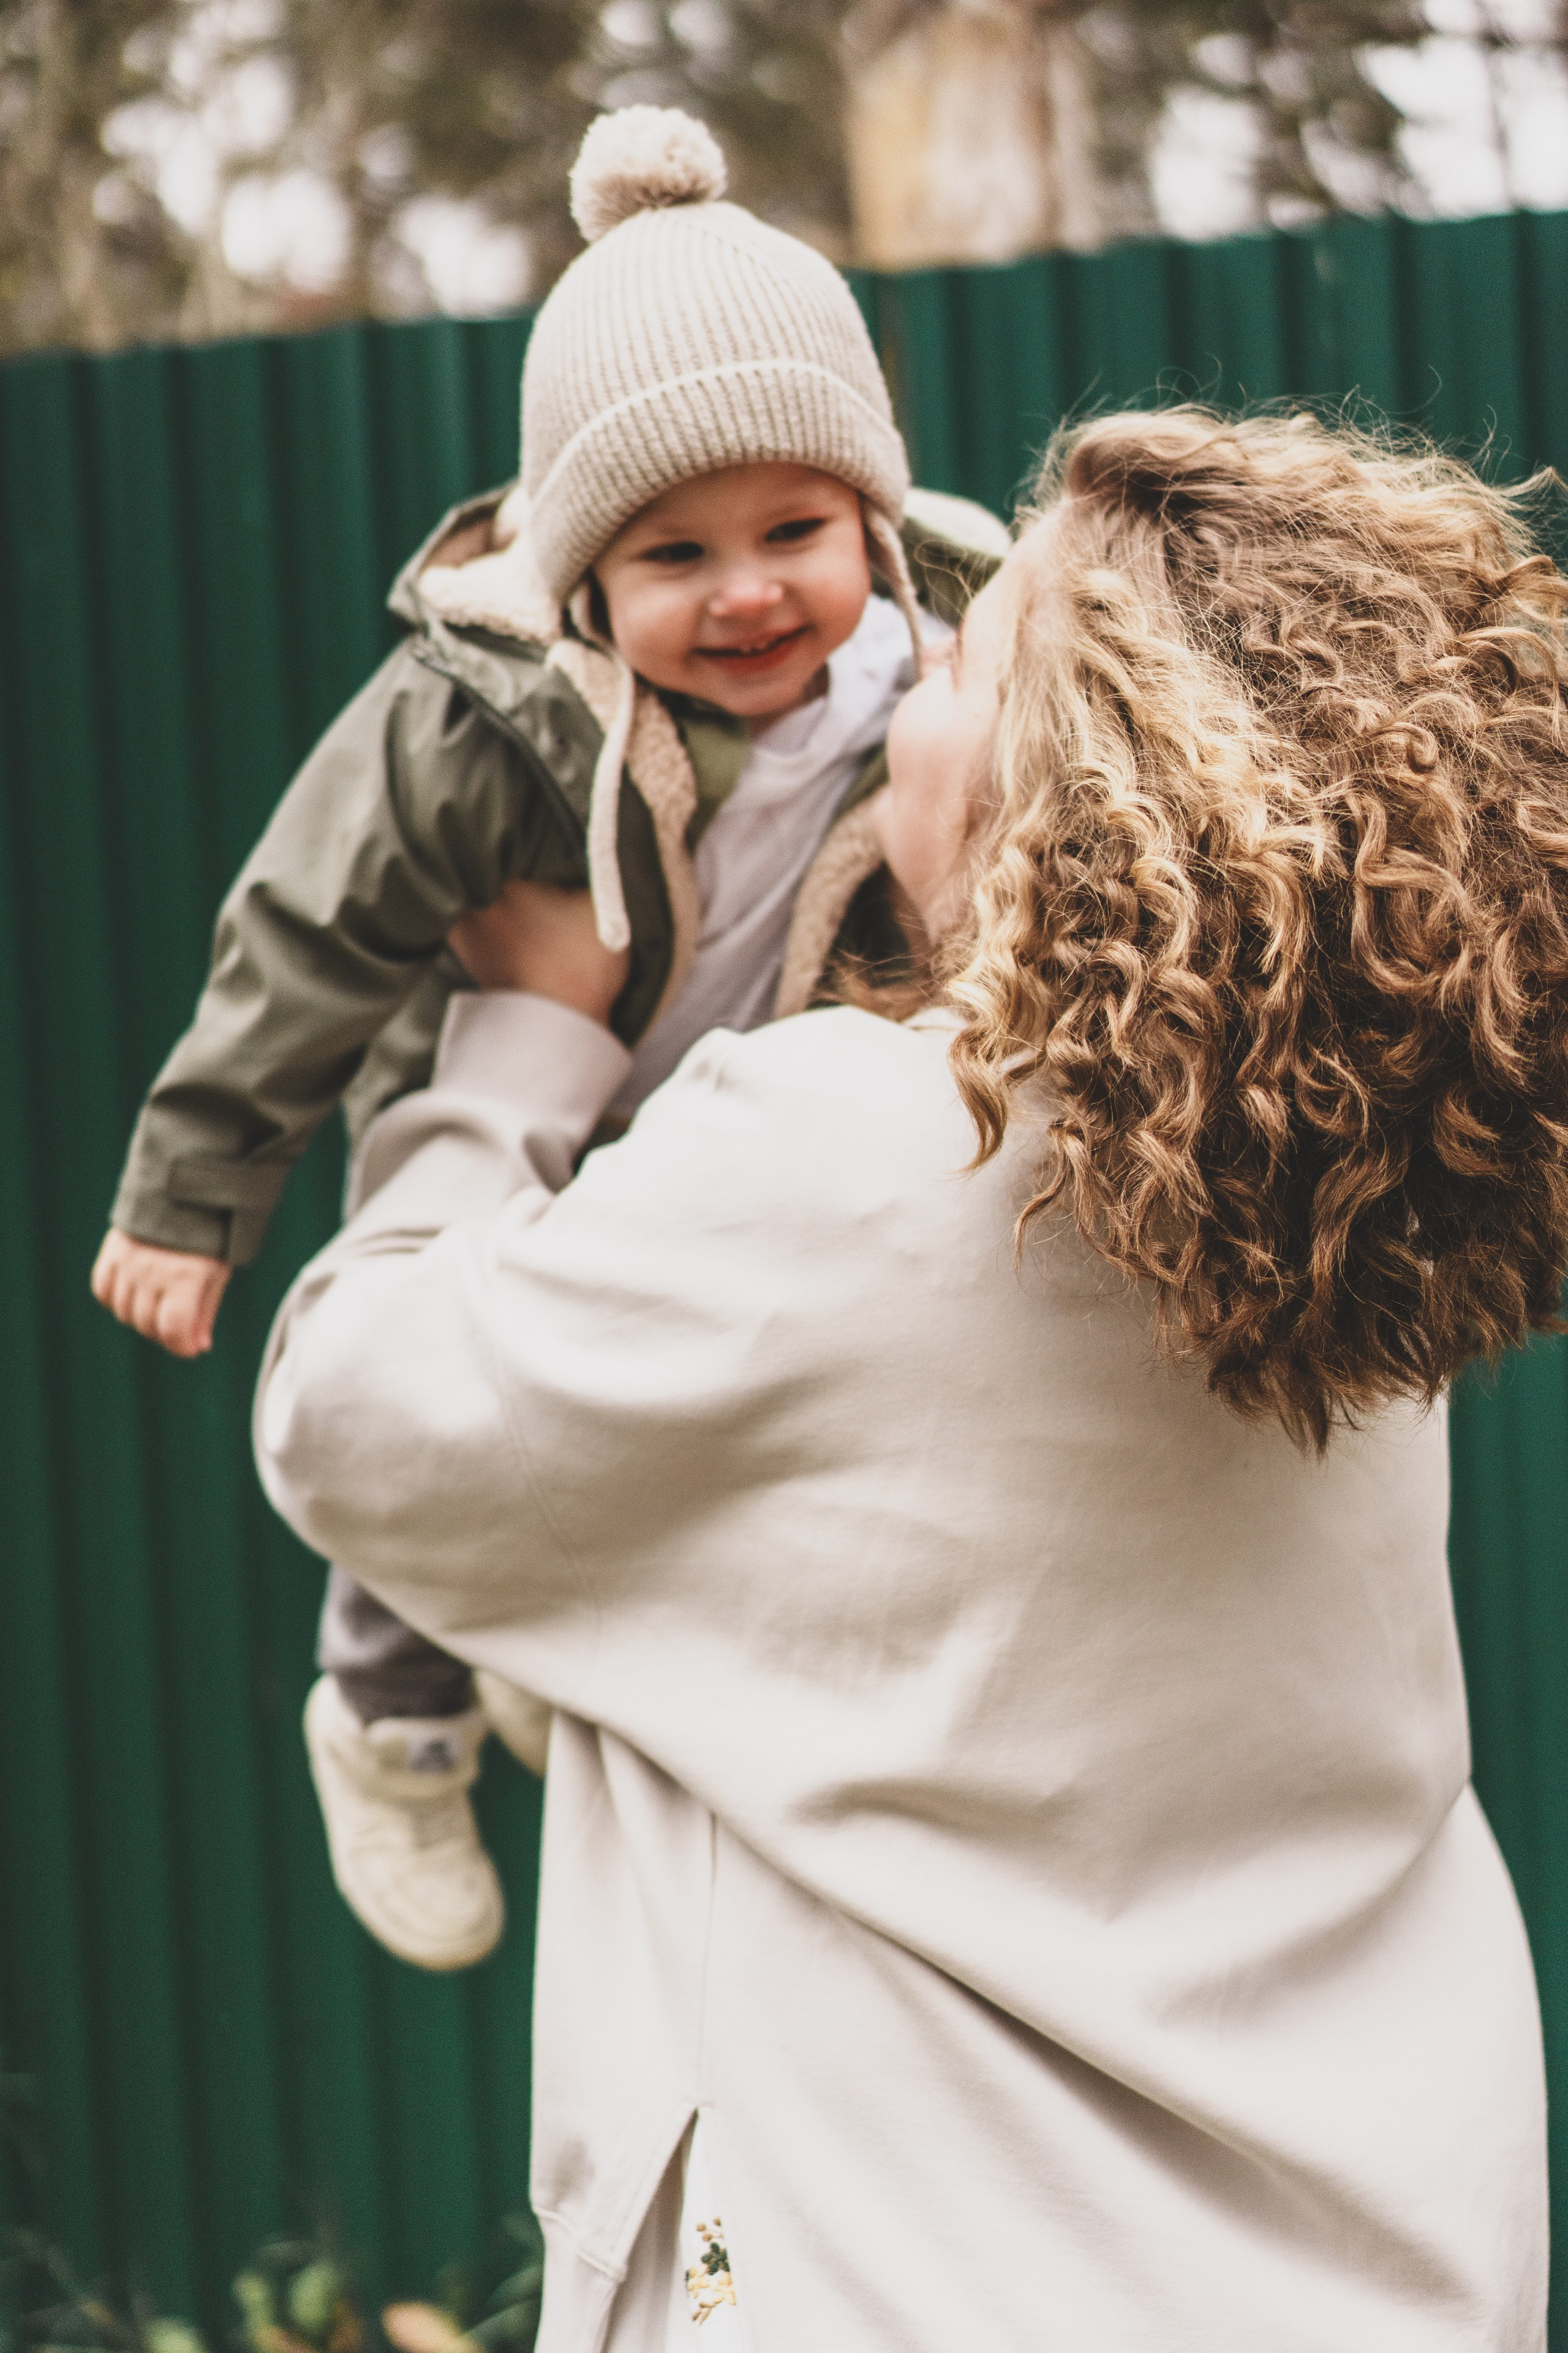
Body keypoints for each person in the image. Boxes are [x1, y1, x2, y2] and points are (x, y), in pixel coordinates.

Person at [256, 405, 1562, 2349]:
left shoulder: (843, 1158)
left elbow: (356, 1415)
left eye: (966, 655)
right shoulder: (1338, 1196)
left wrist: (523, 1038)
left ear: (1071, 781)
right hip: (1372, 2265)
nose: (907, 684)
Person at [88, 104, 1007, 1971]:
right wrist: (193, 1186)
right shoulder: (480, 712)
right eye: (672, 552)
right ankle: (389, 1710)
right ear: (582, 571)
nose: (747, 591)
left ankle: (548, 1634)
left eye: (796, 531)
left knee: (680, 1386)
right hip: (506, 1075)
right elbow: (305, 922)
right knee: (447, 1384)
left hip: (747, 1091)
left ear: (876, 518)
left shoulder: (950, 653)